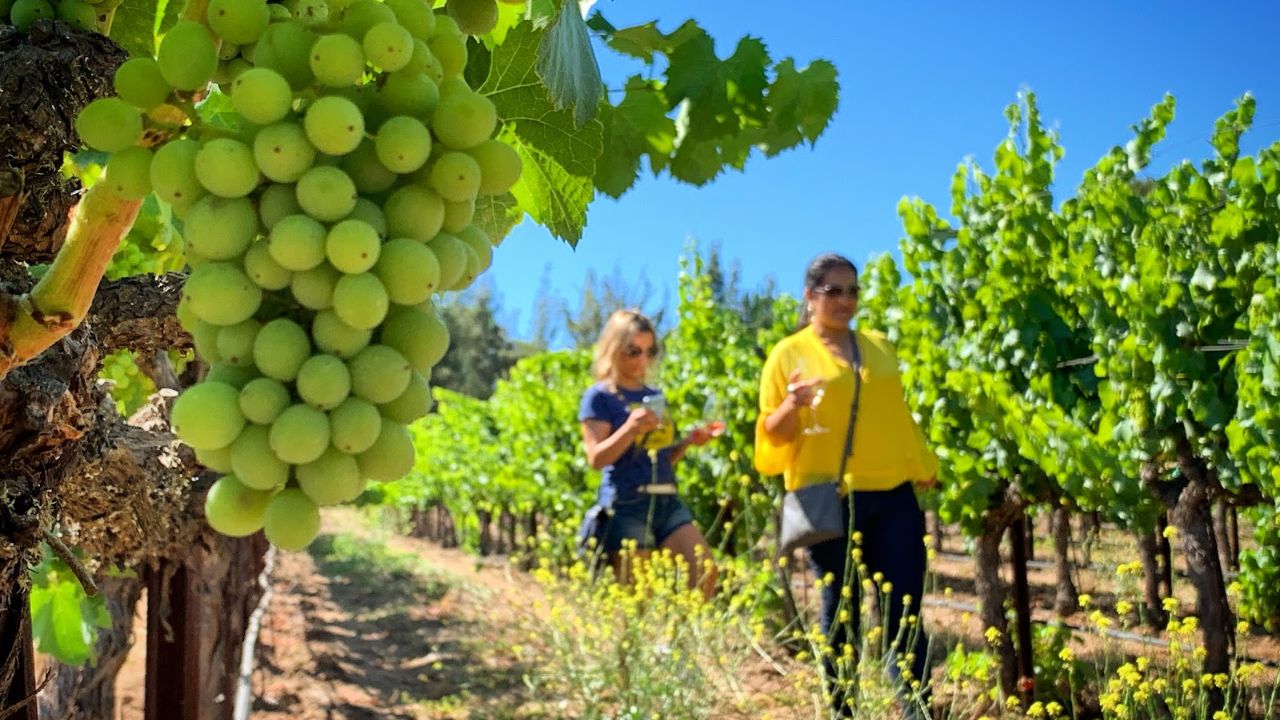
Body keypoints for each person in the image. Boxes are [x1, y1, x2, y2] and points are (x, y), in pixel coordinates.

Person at [755, 253, 938, 717]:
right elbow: (771, 434)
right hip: (831, 498)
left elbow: (898, 413)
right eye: (833, 290)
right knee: (842, 614)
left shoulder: (878, 345)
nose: (844, 300)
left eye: (852, 290)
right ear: (810, 295)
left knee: (906, 612)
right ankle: (843, 710)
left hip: (894, 492)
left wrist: (922, 462)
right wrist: (792, 406)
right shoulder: (789, 353)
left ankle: (916, 708)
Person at [578, 309, 718, 596]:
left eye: (649, 351)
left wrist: (688, 443)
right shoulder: (600, 396)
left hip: (667, 498)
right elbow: (596, 459)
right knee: (641, 597)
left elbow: (661, 458)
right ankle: (653, 641)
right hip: (627, 502)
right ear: (614, 349)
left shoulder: (655, 396)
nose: (643, 360)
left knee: (705, 572)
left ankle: (680, 638)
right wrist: (630, 428)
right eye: (633, 351)